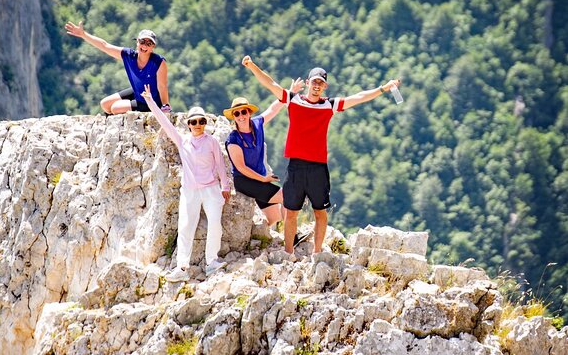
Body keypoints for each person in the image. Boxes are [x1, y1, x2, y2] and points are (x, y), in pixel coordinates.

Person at [242, 55, 401, 256]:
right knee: (291, 212)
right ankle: (288, 253)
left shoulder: (329, 105)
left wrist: (383, 88)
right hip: (296, 166)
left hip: (318, 167)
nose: (317, 86)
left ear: (325, 87)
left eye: (321, 83)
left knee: (320, 212)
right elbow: (270, 83)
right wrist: (252, 66)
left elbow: (359, 97)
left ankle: (317, 253)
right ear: (308, 83)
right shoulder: (292, 100)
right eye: (314, 81)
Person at [141, 84, 230, 282]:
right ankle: (182, 267)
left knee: (215, 224)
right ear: (188, 124)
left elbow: (220, 164)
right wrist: (150, 100)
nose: (198, 124)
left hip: (211, 189)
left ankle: (212, 262)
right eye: (194, 122)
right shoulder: (183, 142)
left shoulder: (212, 141)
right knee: (186, 226)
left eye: (201, 121)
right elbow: (164, 123)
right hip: (190, 191)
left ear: (205, 123)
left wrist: (225, 186)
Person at [222, 89, 310, 248]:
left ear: (249, 112)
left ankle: (260, 241)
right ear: (233, 117)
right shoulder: (233, 139)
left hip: (260, 179)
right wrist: (263, 179)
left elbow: (273, 109)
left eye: (243, 112)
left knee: (274, 218)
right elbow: (240, 167)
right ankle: (293, 238)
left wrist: (290, 93)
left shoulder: (257, 124)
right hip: (245, 181)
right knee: (287, 196)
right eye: (236, 114)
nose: (241, 116)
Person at [64, 21, 170, 114]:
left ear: (153, 46)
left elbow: (162, 86)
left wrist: (165, 106)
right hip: (138, 91)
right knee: (105, 104)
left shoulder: (158, 62)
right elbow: (105, 46)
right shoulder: (129, 56)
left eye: (149, 43)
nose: (144, 46)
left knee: (115, 108)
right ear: (137, 42)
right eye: (142, 42)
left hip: (150, 100)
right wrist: (83, 35)